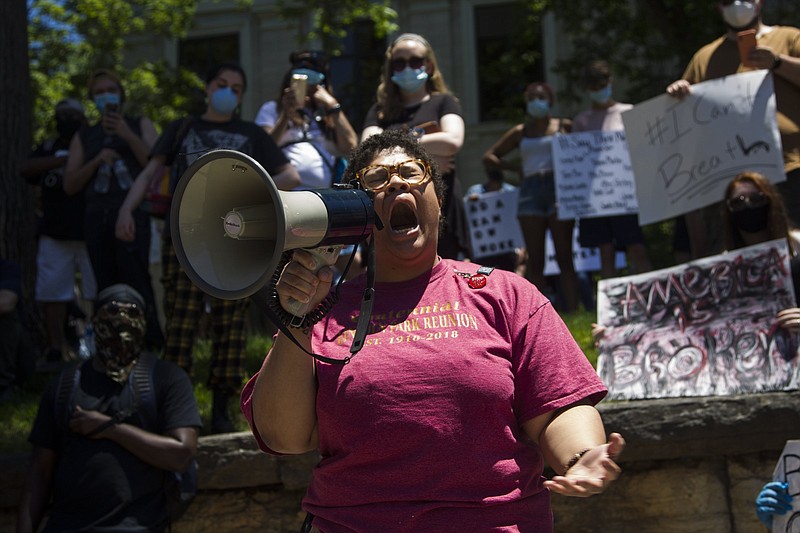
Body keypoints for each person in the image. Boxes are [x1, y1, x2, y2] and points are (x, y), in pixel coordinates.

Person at [241, 129, 625, 532]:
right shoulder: (326, 310)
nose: (396, 183)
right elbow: (283, 435)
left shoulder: (505, 295)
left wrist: (581, 456)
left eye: (411, 171)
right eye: (376, 179)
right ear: (357, 211)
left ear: (438, 202)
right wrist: (298, 320)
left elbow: (557, 408)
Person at [116, 62, 300, 433]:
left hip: (234, 239)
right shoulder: (183, 128)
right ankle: (175, 411)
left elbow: (289, 176)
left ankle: (222, 411)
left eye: (236, 87)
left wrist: (252, 197)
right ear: (207, 87)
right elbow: (150, 173)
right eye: (221, 83)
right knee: (181, 321)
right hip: (183, 236)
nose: (228, 91)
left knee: (229, 325)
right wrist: (125, 209)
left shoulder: (250, 133)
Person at [16, 283, 201, 533]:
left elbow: (181, 454)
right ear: (95, 320)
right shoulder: (65, 385)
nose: (122, 320)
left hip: (139, 526)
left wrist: (109, 429)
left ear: (144, 323)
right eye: (113, 311)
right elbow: (40, 472)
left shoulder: (166, 378)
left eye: (133, 313)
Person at [666, 0, 800, 258]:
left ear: (759, 3)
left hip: (791, 168)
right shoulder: (705, 57)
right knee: (740, 257)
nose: (737, 5)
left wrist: (777, 63)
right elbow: (687, 119)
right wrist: (678, 93)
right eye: (728, 1)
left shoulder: (789, 38)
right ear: (718, 7)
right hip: (732, 183)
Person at [63, 69, 164, 351]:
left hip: (134, 216)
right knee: (104, 284)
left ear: (121, 94)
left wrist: (127, 135)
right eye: (98, 92)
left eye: (111, 89)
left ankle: (149, 346)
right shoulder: (85, 135)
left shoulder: (138, 123)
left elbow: (158, 166)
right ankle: (111, 348)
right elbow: (69, 184)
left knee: (138, 280)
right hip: (97, 218)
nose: (105, 95)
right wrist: (96, 161)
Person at [361, 32, 470, 261]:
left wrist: (395, 146)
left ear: (428, 66)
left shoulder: (444, 102)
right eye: (399, 63)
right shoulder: (379, 111)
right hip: (393, 208)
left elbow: (452, 141)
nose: (407, 67)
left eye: (415, 61)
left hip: (444, 204)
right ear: (391, 69)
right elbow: (368, 151)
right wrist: (428, 163)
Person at [483, 82, 579, 310]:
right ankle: (536, 312)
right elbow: (489, 156)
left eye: (540, 97)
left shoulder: (564, 126)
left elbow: (582, 153)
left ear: (550, 101)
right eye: (531, 98)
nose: (536, 102)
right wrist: (515, 169)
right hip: (530, 191)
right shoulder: (521, 131)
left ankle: (575, 310)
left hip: (558, 189)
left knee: (565, 255)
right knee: (535, 260)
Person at [20, 98, 96, 365]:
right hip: (54, 233)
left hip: (89, 233)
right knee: (53, 292)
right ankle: (56, 348)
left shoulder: (92, 144)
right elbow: (26, 169)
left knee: (94, 290)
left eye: (72, 115)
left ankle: (98, 344)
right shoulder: (49, 147)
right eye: (61, 115)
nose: (66, 120)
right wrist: (58, 161)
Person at [573, 60, 652, 279]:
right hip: (597, 199)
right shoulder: (581, 121)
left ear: (610, 82)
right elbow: (576, 163)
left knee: (637, 248)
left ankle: (650, 295)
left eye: (601, 84)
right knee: (605, 252)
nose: (598, 90)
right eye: (592, 86)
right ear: (586, 88)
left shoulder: (628, 112)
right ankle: (611, 306)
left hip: (626, 195)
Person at [255, 50, 358, 190]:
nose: (307, 88)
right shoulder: (272, 109)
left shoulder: (328, 113)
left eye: (312, 82)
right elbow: (265, 148)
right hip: (288, 192)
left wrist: (333, 106)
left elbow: (350, 146)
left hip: (326, 194)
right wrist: (286, 115)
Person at [721, 171, 800, 330]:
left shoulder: (798, 244)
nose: (747, 207)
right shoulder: (723, 269)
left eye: (756, 199)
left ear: (771, 202)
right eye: (738, 202)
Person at [463, 167, 524, 273]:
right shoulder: (475, 191)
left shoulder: (511, 192)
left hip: (507, 250)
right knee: (484, 274)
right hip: (484, 251)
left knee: (507, 274)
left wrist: (522, 248)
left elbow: (518, 223)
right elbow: (467, 217)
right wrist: (470, 202)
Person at [0, 258, 35, 402]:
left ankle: (3, 386)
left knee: (5, 317)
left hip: (17, 358)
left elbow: (5, 304)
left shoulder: (6, 268)